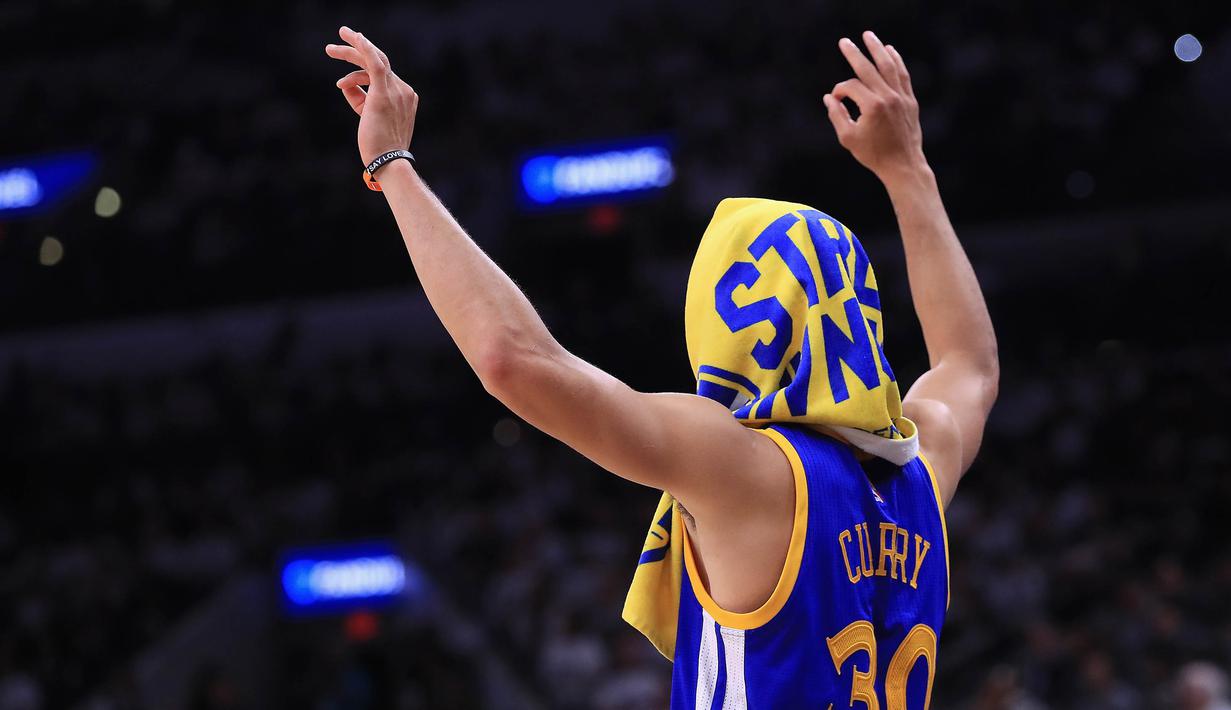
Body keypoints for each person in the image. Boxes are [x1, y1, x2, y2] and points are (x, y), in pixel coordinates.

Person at [325, 25, 997, 708]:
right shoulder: (919, 467)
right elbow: (967, 364)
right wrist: (907, 170)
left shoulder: (743, 467)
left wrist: (392, 163)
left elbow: (513, 360)